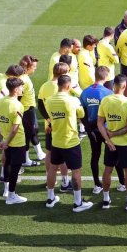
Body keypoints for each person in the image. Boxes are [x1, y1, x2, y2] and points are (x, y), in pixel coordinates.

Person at [44, 75, 92, 212]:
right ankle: (77, 203)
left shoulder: (49, 101)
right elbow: (82, 115)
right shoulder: (73, 101)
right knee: (76, 171)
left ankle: (50, 198)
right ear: (68, 86)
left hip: (56, 141)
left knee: (53, 169)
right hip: (71, 141)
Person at [97, 74, 127, 211]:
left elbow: (100, 123)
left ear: (113, 85)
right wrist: (113, 135)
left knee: (108, 169)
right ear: (124, 86)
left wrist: (108, 139)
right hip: (126, 143)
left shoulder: (105, 101)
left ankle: (105, 200)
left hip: (110, 143)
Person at [80, 66, 127, 195]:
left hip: (92, 131)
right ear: (106, 77)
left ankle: (97, 184)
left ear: (95, 76)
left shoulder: (85, 92)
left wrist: (88, 129)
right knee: (114, 155)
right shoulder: (108, 93)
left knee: (95, 156)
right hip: (106, 130)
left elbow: (82, 113)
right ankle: (122, 182)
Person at [38, 61, 73, 192]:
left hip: (49, 126)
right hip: (61, 126)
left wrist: (48, 119)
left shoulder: (44, 86)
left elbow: (40, 105)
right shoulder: (63, 87)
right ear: (63, 74)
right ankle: (65, 182)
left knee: (49, 152)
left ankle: (49, 179)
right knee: (62, 154)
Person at [0, 77, 28, 204]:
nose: (23, 89)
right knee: (15, 169)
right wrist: (6, 141)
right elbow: (15, 129)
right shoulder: (18, 105)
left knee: (7, 164)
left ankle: (7, 190)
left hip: (6, 140)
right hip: (17, 141)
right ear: (16, 89)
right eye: (21, 87)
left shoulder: (1, 102)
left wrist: (2, 137)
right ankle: (11, 196)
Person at [18, 55, 46, 165]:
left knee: (31, 133)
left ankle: (33, 156)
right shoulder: (23, 79)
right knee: (30, 133)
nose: (35, 68)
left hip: (28, 109)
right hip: (26, 110)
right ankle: (32, 156)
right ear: (27, 66)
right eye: (34, 66)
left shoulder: (24, 77)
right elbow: (18, 97)